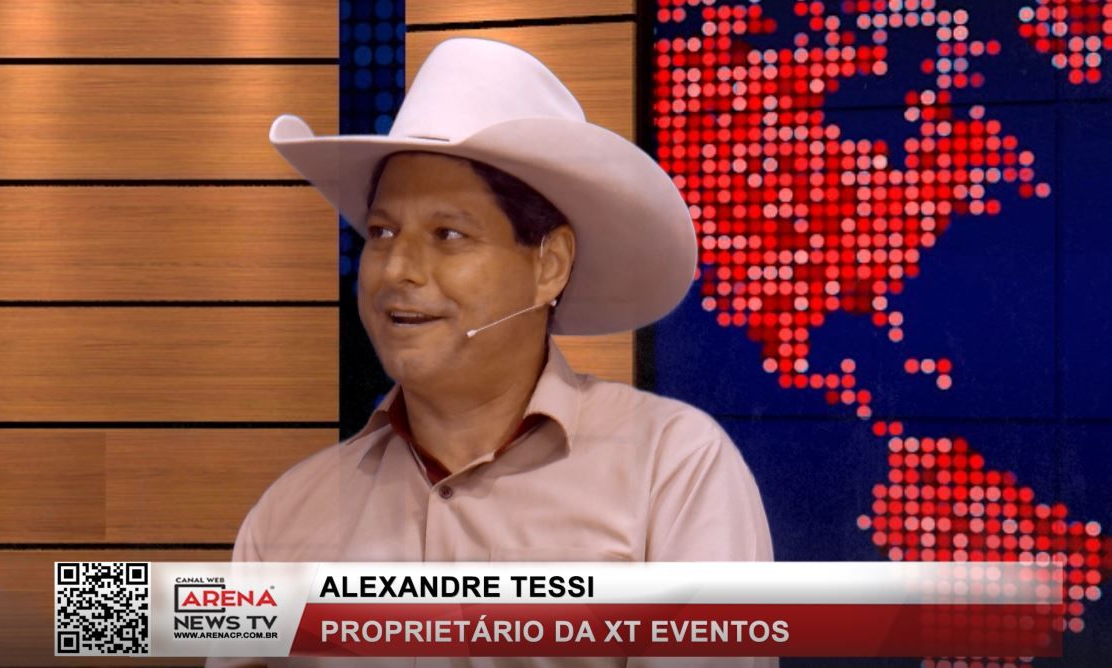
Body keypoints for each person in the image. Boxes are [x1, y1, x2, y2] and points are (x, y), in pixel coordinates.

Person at [217, 37, 773, 667]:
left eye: (448, 234)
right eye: (381, 232)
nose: (397, 269)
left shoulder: (671, 470)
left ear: (549, 265)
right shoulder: (287, 516)